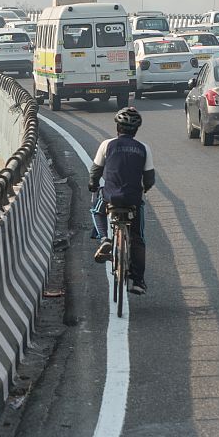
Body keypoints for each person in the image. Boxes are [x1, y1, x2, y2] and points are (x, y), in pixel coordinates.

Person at [88, 106, 155, 295]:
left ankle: (104, 239)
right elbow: (149, 179)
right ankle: (137, 281)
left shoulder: (107, 145)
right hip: (133, 199)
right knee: (138, 238)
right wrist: (144, 190)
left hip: (110, 197)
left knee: (96, 209)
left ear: (118, 127)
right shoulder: (144, 148)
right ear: (136, 130)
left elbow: (95, 172)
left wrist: (93, 185)